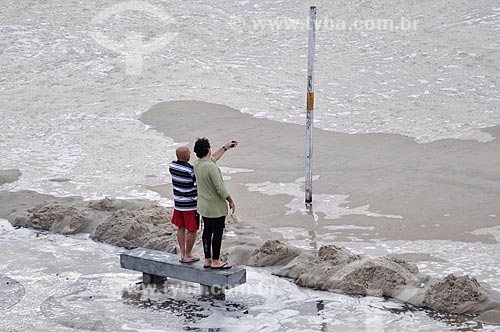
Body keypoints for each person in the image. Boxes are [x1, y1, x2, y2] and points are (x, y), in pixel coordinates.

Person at [193, 138, 237, 269]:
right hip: (215, 207)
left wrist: (226, 147)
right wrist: (231, 200)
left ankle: (207, 259)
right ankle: (216, 261)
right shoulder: (212, 168)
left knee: (207, 231)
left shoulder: (197, 164)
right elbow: (220, 189)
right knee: (217, 233)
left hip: (204, 206)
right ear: (208, 150)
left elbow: (212, 158)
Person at [169, 146, 200, 263]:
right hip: (190, 205)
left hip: (178, 204)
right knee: (192, 229)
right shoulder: (191, 171)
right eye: (189, 153)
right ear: (186, 156)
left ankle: (182, 253)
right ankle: (188, 254)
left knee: (180, 228)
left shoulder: (172, 166)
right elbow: (197, 187)